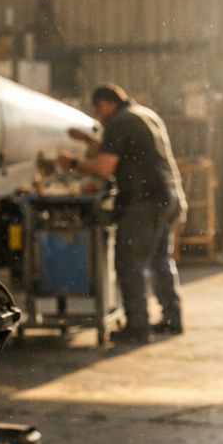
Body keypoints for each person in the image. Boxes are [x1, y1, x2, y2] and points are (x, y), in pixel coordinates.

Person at [59, 84, 186, 344]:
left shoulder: (119, 121)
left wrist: (72, 163)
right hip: (168, 195)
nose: (99, 116)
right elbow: (127, 151)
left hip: (144, 201)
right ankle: (172, 319)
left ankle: (137, 327)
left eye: (98, 110)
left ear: (106, 103)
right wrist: (88, 140)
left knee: (130, 262)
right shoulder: (144, 114)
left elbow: (104, 167)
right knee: (159, 259)